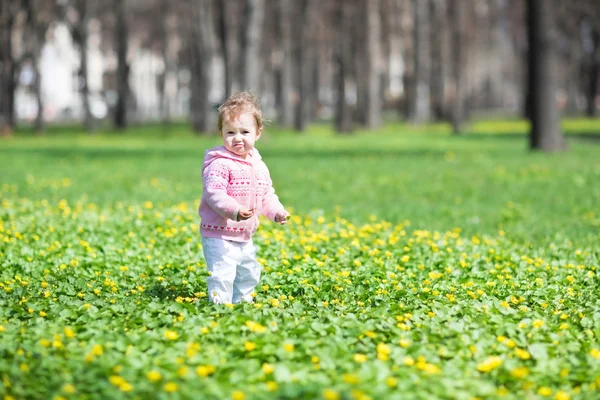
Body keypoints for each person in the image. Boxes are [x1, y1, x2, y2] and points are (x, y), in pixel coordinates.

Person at [198, 92, 289, 304]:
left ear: (258, 133)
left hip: (245, 233)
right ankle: (220, 308)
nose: (237, 138)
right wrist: (235, 210)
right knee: (222, 272)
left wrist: (276, 212)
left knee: (249, 272)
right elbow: (214, 193)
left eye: (244, 132)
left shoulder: (258, 165)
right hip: (219, 234)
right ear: (221, 133)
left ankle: (243, 304)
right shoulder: (219, 164)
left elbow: (266, 193)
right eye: (230, 132)